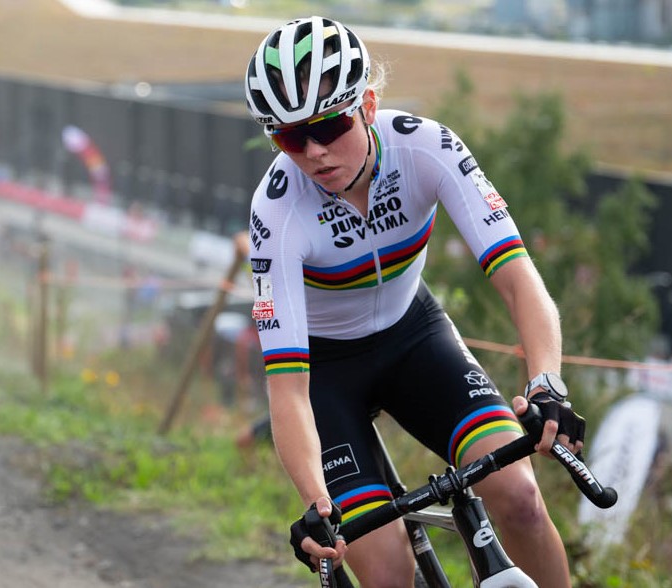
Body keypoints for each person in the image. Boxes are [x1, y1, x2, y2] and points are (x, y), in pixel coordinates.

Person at [244, 16, 585, 588]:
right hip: (327, 375)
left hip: (415, 337)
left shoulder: (426, 147)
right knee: (386, 571)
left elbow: (518, 279)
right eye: (291, 137)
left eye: (330, 125)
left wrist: (546, 383)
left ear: (368, 105)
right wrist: (315, 503)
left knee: (521, 498)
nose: (316, 152)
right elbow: (288, 387)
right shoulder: (276, 212)